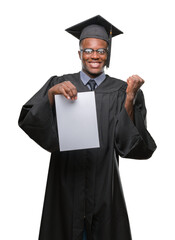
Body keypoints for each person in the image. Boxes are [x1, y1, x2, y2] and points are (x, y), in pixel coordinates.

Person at [18, 15, 156, 240]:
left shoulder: (122, 90)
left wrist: (130, 98)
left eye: (101, 51)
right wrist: (52, 96)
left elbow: (130, 147)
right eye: (88, 50)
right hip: (64, 186)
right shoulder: (59, 84)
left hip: (104, 187)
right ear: (80, 53)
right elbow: (33, 124)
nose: (94, 56)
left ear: (107, 54)